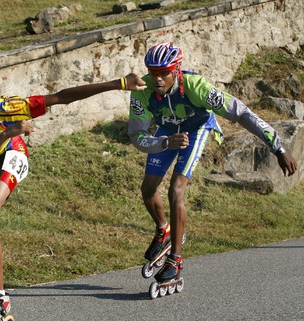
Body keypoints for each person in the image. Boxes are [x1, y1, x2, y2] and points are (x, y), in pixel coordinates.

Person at [0, 57, 147, 321]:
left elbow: (61, 97)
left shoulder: (4, 107)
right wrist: (3, 134)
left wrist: (119, 84)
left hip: (12, 155)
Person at [126, 42, 298, 283]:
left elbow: (241, 113)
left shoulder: (197, 87)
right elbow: (137, 135)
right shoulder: (142, 91)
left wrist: (278, 147)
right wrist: (164, 142)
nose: (158, 78)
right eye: (153, 72)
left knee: (176, 190)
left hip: (196, 129)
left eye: (164, 72)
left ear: (176, 70)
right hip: (168, 133)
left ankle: (175, 259)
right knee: (147, 190)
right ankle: (163, 228)